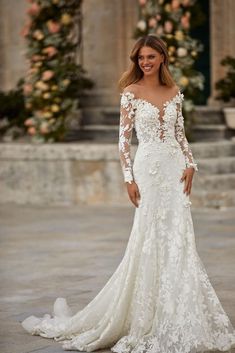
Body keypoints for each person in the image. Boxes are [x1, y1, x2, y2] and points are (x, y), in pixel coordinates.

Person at [21, 35, 235, 353]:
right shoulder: (130, 93)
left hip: (174, 169)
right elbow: (123, 142)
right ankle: (146, 314)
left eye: (150, 56)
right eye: (140, 58)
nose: (145, 62)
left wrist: (192, 164)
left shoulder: (175, 93)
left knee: (180, 238)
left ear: (163, 57)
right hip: (148, 170)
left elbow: (180, 135)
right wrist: (128, 178)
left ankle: (179, 314)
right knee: (149, 237)